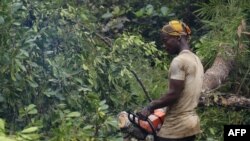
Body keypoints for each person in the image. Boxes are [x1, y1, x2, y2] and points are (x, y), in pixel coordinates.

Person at [138, 20, 204, 141]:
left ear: (178, 37)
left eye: (165, 40)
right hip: (191, 125)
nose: (164, 45)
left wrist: (151, 106)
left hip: (176, 127)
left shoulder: (179, 61)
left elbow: (174, 94)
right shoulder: (196, 60)